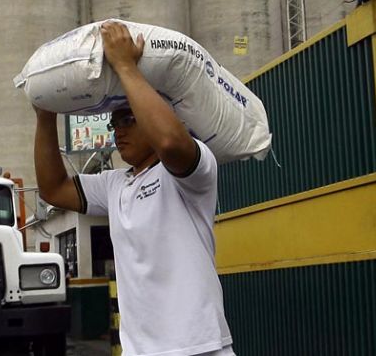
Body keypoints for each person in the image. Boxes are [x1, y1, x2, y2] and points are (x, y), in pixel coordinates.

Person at [33, 21, 235, 356]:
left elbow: (169, 142)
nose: (117, 132)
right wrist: (44, 117)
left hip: (198, 348)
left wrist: (126, 66)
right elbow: (53, 189)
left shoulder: (192, 173)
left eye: (128, 120)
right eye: (114, 124)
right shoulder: (116, 184)